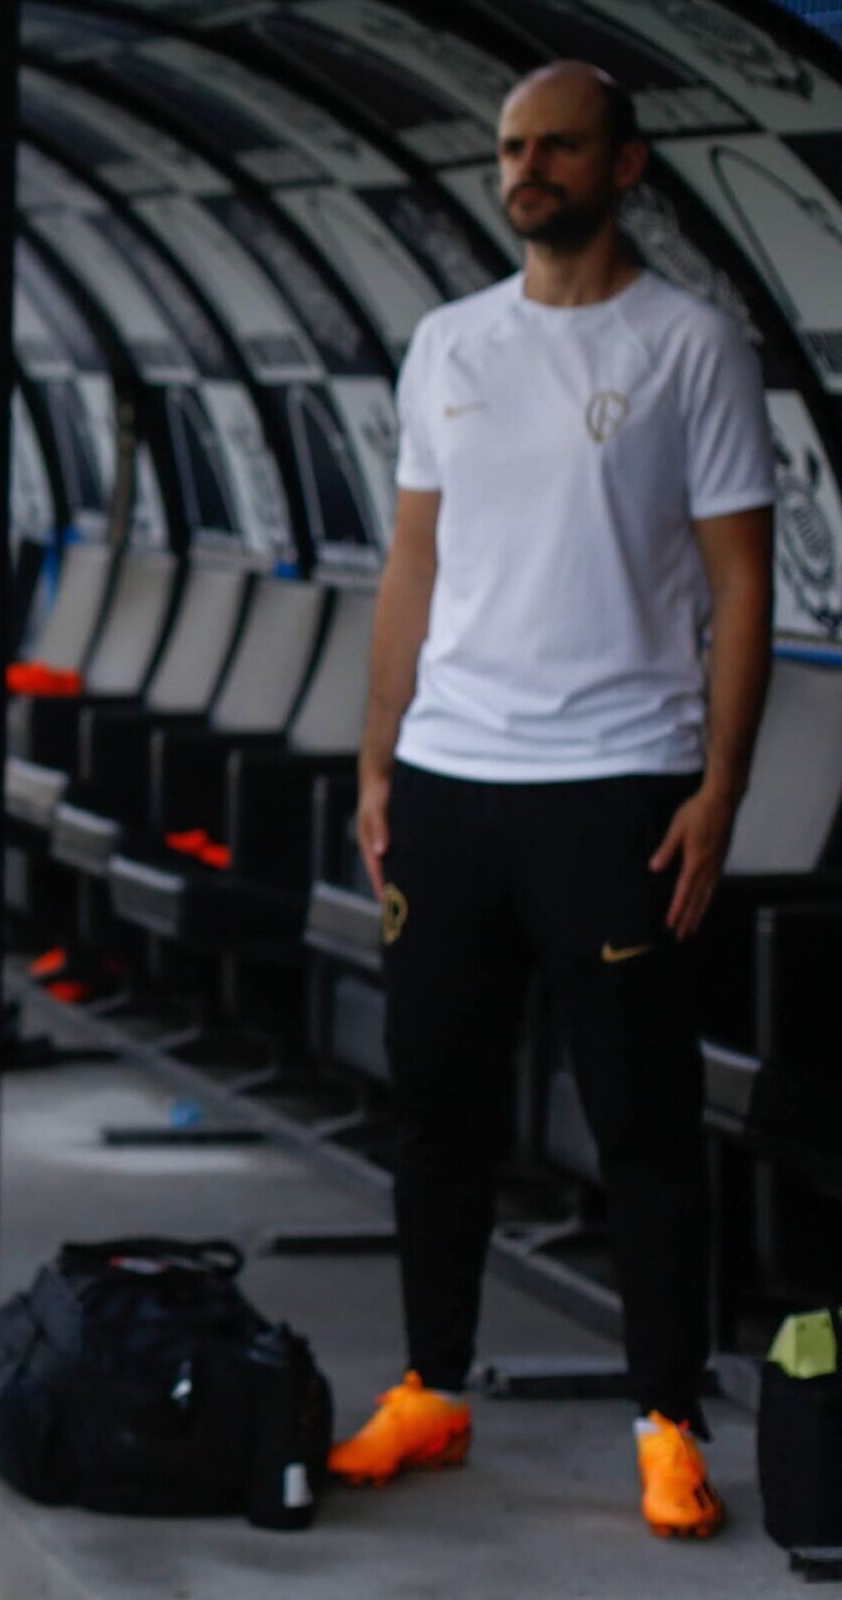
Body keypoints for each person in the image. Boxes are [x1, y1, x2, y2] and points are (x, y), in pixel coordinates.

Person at [335, 61, 774, 1542]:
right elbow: (413, 562)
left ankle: (666, 1414)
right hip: (453, 784)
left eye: (558, 146)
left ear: (626, 166)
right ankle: (431, 1387)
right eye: (514, 147)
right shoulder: (449, 342)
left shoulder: (689, 345)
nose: (527, 168)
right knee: (438, 1111)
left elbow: (740, 577)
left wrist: (721, 787)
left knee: (642, 1121)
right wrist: (378, 757)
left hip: (620, 787)